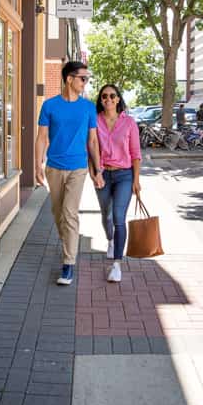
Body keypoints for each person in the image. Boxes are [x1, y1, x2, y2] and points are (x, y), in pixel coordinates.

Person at [35, 61, 105, 286]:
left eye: (87, 78)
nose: (86, 82)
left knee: (69, 212)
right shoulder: (49, 106)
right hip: (54, 167)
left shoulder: (88, 108)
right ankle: (69, 245)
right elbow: (42, 138)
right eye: (83, 78)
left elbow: (93, 140)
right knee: (58, 214)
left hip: (78, 167)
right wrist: (38, 165)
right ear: (69, 79)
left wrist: (98, 169)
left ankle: (68, 264)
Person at [92, 84, 141, 283]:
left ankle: (117, 265)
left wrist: (136, 180)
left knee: (119, 217)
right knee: (106, 215)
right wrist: (95, 174)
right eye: (104, 96)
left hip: (124, 176)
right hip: (103, 174)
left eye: (112, 96)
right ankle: (110, 240)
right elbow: (91, 150)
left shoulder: (129, 123)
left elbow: (136, 154)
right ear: (101, 100)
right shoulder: (94, 121)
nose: (108, 99)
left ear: (118, 99)